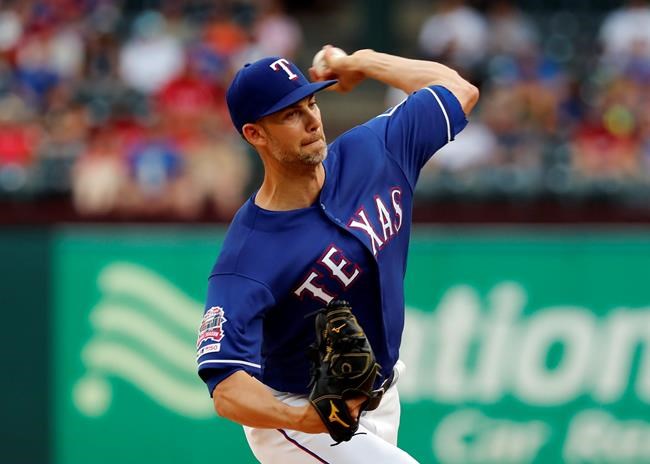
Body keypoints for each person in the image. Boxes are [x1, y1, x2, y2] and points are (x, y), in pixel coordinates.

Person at [196, 46, 478, 463]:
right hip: (296, 419)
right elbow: (226, 389)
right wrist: (304, 418)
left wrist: (362, 63)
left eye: (312, 102)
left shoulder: (375, 152)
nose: (312, 120)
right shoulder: (247, 256)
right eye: (290, 114)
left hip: (381, 400)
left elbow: (458, 89)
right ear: (255, 134)